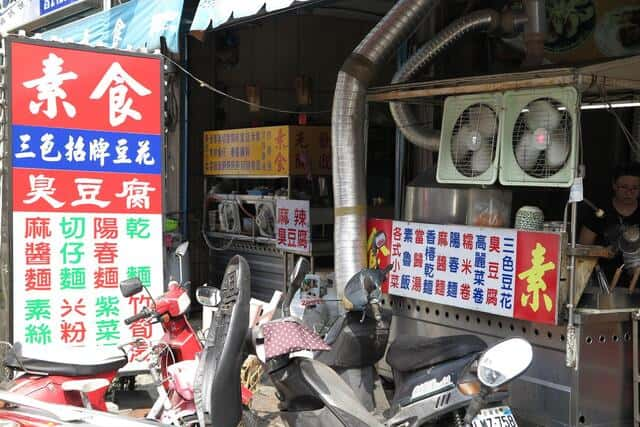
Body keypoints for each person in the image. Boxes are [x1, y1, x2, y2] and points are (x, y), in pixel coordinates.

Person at [579, 162, 640, 284]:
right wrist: (602, 252)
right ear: (614, 185)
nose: (629, 193)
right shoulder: (599, 211)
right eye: (624, 187)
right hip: (601, 281)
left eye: (635, 188)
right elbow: (582, 249)